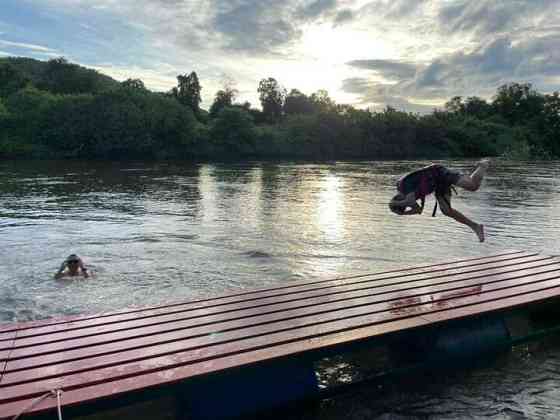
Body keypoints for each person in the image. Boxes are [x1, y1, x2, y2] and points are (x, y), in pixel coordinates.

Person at [389, 160, 490, 242]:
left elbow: (409, 202)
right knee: (446, 210)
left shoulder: (403, 186)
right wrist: (403, 214)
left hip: (439, 173)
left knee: (473, 186)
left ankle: (483, 165)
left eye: (404, 206)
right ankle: (476, 226)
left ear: (398, 198)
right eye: (405, 207)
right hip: (437, 185)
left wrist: (394, 204)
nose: (407, 205)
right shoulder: (408, 197)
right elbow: (418, 210)